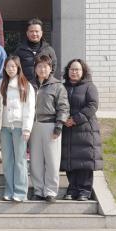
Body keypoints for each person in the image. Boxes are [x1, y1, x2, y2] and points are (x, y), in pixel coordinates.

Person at [29, 55, 70, 202]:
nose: (42, 69)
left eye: (45, 66)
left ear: (50, 68)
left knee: (52, 160)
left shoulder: (57, 86)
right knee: (36, 161)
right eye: (39, 66)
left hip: (51, 126)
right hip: (34, 126)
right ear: (35, 68)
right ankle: (38, 190)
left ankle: (51, 191)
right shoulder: (30, 85)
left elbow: (63, 107)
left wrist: (59, 125)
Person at [61, 59, 102, 201]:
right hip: (68, 130)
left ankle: (84, 190)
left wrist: (75, 119)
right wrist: (64, 119)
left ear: (83, 71)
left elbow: (92, 106)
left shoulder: (89, 87)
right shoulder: (63, 87)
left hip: (85, 130)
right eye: (71, 69)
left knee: (84, 161)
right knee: (70, 161)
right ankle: (72, 189)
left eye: (77, 69)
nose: (74, 72)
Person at [0, 55, 35, 202]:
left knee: (20, 160)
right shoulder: (1, 84)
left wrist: (27, 128)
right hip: (5, 127)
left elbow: (29, 109)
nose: (10, 69)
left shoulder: (26, 85)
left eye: (13, 66)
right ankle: (9, 190)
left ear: (18, 68)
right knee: (7, 160)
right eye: (8, 66)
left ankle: (20, 192)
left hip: (19, 127)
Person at [14, 18, 59, 83]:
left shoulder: (48, 49)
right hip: (25, 85)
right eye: (31, 31)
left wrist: (46, 81)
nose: (34, 34)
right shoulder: (20, 50)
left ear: (41, 33)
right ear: (27, 33)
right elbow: (15, 67)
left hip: (43, 85)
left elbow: (54, 66)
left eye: (37, 31)